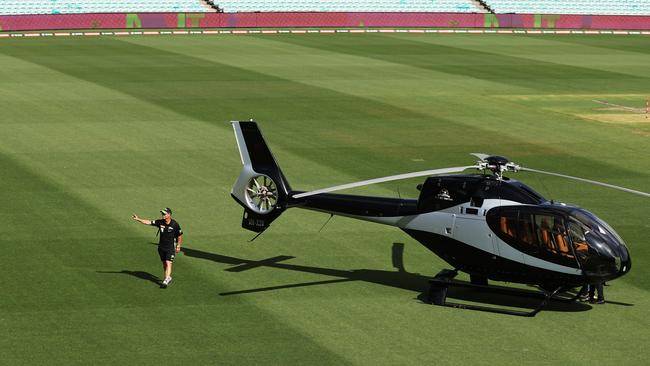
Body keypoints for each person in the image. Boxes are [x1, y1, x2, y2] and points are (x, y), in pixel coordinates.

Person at [132, 208, 183, 288]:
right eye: (162, 214)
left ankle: (166, 280)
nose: (163, 215)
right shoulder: (160, 222)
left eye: (164, 214)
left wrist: (178, 245)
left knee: (168, 262)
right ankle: (168, 277)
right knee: (164, 264)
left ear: (169, 215)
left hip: (170, 248)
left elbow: (179, 235)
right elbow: (148, 222)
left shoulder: (174, 224)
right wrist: (138, 219)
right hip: (161, 248)